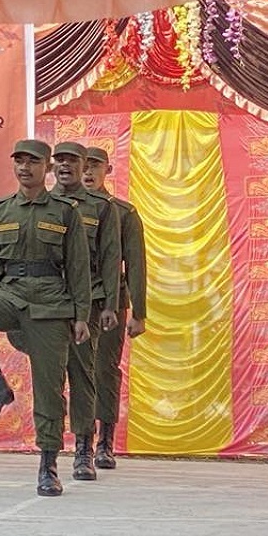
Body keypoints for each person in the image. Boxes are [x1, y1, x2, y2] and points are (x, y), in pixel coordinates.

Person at [0, 139, 92, 497]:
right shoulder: (1, 210)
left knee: (49, 390)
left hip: (50, 305)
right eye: (19, 161)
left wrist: (81, 314)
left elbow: (78, 265)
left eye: (32, 162)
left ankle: (48, 465)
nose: (24, 168)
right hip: (11, 295)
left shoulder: (65, 211)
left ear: (47, 168)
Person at [51, 141, 121, 481]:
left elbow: (112, 259)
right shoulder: (39, 204)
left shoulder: (102, 208)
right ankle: (49, 450)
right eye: (60, 161)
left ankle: (84, 448)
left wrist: (111, 304)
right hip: (49, 302)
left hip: (88, 300)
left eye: (73, 161)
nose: (66, 167)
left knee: (83, 374)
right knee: (49, 379)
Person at [83, 146, 147, 469]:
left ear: (108, 170)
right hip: (70, 301)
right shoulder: (61, 209)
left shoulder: (123, 213)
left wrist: (139, 312)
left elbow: (135, 264)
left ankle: (104, 442)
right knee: (73, 370)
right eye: (84, 166)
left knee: (104, 369)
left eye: (95, 166)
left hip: (110, 300)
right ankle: (80, 441)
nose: (88, 172)